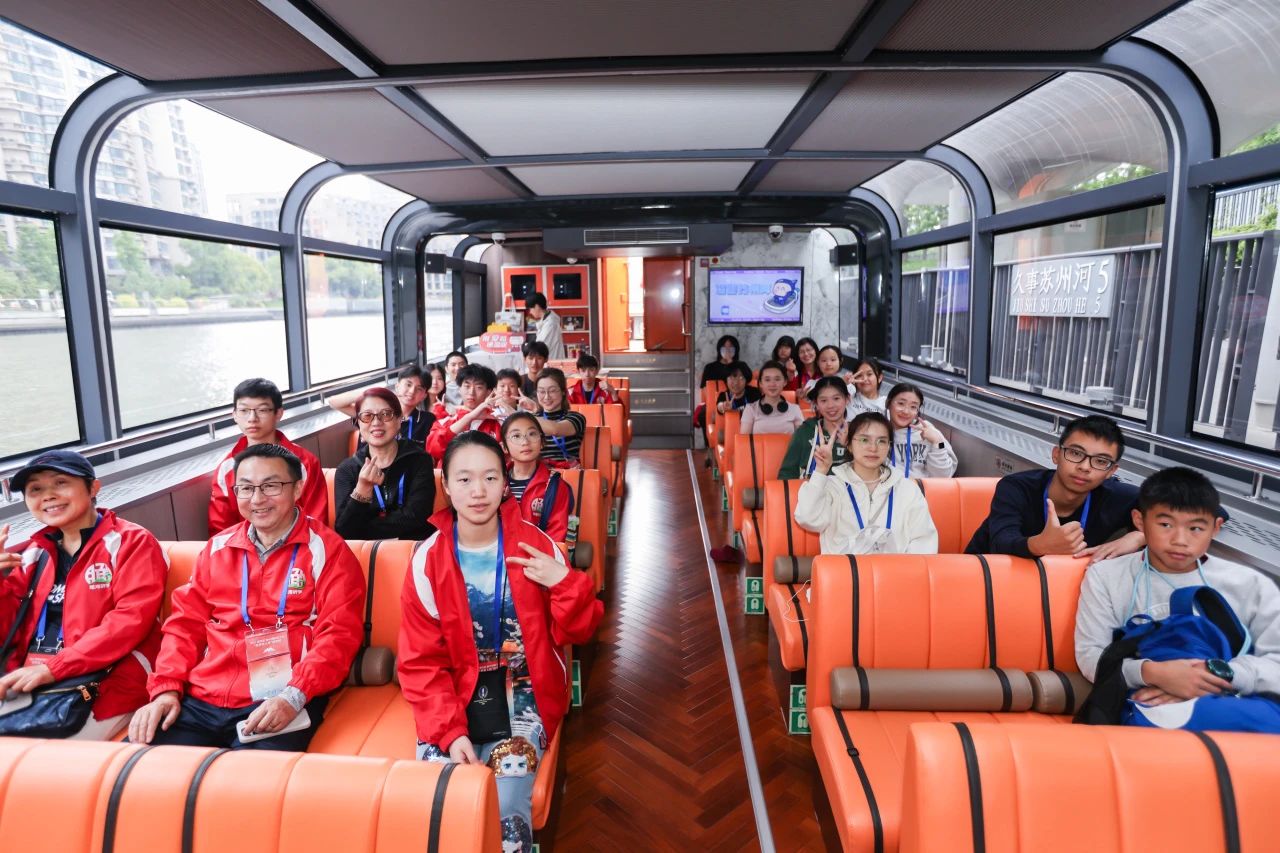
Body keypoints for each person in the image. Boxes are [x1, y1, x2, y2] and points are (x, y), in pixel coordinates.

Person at [398, 432, 602, 850]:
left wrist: (565, 584)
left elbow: (580, 632)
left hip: (524, 690)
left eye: (490, 478)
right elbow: (421, 662)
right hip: (454, 689)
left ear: (505, 482)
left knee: (505, 809)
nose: (478, 491)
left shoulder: (537, 547)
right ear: (446, 484)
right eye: (464, 479)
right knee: (439, 805)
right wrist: (450, 733)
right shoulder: (427, 559)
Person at [130, 444, 364, 750]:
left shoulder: (327, 550)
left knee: (251, 777)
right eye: (246, 488)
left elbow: (339, 634)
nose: (257, 499)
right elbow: (185, 625)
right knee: (145, 762)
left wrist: (294, 695)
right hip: (203, 696)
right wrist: (166, 689)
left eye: (271, 486)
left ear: (297, 489)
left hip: (282, 695)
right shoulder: (218, 548)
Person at [1074, 467, 1280, 732]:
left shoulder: (1249, 583)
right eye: (1165, 525)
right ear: (1139, 521)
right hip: (1147, 700)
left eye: (1196, 528)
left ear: (1216, 527)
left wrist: (1209, 677)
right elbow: (1091, 655)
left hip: (1235, 697)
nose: (1180, 540)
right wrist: (1157, 674)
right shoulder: (1107, 576)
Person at [0, 451, 166, 740]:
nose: (48, 495)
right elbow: (7, 630)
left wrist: (55, 668)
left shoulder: (131, 542)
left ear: (93, 488)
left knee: (38, 751)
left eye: (60, 483)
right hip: (30, 678)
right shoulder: (34, 553)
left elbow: (128, 623)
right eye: (35, 489)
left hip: (106, 682)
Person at [965, 415, 1145, 559]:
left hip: (1059, 585)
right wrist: (1041, 545)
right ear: (1056, 455)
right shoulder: (1016, 487)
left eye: (1100, 461)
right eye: (1076, 453)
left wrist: (1139, 537)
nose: (1084, 467)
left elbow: (1162, 509)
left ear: (1111, 471)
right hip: (987, 575)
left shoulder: (1119, 497)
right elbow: (1000, 542)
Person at [794, 413, 937, 555]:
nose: (873, 448)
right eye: (864, 440)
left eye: (881, 441)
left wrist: (900, 569)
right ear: (849, 445)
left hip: (893, 569)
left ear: (889, 447)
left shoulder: (907, 489)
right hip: (845, 568)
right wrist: (820, 472)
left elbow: (923, 541)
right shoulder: (832, 486)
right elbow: (808, 519)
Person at [209, 378, 328, 536]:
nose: (252, 418)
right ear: (234, 415)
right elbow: (221, 530)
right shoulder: (226, 467)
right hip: (243, 548)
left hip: (298, 545)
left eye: (262, 410)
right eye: (244, 410)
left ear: (278, 413)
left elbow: (316, 522)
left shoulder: (305, 463)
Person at [333, 388, 437, 541]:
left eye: (386, 414)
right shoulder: (347, 469)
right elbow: (343, 530)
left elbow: (416, 516)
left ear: (399, 419)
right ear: (358, 422)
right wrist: (362, 491)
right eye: (367, 416)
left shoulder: (420, 460)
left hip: (413, 548)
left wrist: (361, 530)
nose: (376, 422)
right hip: (364, 552)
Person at [502, 413, 573, 541]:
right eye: (516, 436)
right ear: (505, 447)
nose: (525, 442)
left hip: (539, 551)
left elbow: (556, 535)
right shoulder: (495, 482)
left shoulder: (554, 486)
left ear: (542, 442)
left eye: (532, 434)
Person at [327, 364, 434, 448]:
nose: (412, 391)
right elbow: (333, 402)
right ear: (397, 386)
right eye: (408, 384)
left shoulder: (427, 420)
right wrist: (371, 393)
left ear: (424, 395)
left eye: (419, 389)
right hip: (370, 466)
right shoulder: (374, 411)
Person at [778, 377, 854, 479]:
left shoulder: (856, 432)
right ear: (816, 404)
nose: (830, 405)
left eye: (836, 398)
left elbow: (867, 471)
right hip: (810, 487)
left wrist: (850, 446)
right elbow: (787, 473)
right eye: (823, 400)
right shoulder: (805, 431)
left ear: (847, 399)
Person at [427, 364, 504, 462]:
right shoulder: (446, 420)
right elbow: (433, 448)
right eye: (467, 386)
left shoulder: (499, 422)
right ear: (459, 389)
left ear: (489, 392)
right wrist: (469, 417)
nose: (471, 392)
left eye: (479, 387)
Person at [883, 383, 957, 479]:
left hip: (922, 487)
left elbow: (944, 476)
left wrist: (938, 442)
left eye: (913, 407)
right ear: (888, 403)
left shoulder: (930, 431)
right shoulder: (879, 432)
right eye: (901, 403)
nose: (906, 411)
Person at [534, 368, 587, 469]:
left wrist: (522, 417)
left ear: (563, 391)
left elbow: (555, 429)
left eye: (552, 391)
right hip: (541, 473)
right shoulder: (532, 419)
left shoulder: (576, 417)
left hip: (568, 473)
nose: (546, 397)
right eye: (541, 391)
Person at [740, 360, 803, 435]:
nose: (772, 384)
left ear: (785, 382)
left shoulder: (795, 409)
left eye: (777, 379)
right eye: (767, 380)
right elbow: (744, 440)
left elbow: (803, 439)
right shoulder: (750, 409)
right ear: (760, 383)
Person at [525, 293, 566, 361]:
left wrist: (526, 348)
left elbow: (540, 347)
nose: (530, 312)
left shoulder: (550, 324)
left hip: (551, 362)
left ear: (537, 306)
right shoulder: (546, 321)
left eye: (530, 309)